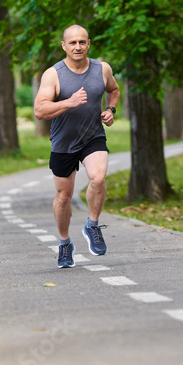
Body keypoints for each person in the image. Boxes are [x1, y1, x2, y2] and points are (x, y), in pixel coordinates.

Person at [34, 24, 120, 268]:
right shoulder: (54, 74)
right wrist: (69, 103)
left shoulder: (102, 69)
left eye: (82, 42)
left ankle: (92, 225)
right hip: (63, 141)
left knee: (98, 178)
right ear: (64, 46)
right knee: (63, 197)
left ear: (89, 44)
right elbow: (40, 110)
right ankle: (64, 244)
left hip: (93, 136)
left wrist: (111, 110)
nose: (77, 46)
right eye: (72, 43)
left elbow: (114, 89)